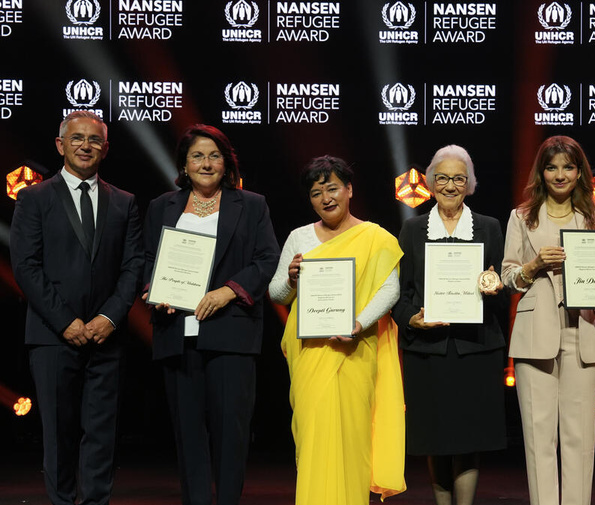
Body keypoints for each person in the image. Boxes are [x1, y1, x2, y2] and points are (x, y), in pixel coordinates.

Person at [10, 111, 143, 505]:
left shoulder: (125, 202)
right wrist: (66, 321)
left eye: (95, 140)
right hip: (52, 337)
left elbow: (133, 265)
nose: (86, 145)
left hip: (107, 337)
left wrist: (108, 317)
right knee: (59, 432)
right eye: (77, 138)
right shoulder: (33, 198)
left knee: (102, 433)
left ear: (105, 148)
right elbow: (25, 266)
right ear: (60, 145)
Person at [142, 124, 279, 505]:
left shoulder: (251, 204)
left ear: (226, 162)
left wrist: (227, 291)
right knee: (188, 434)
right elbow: (148, 260)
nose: (206, 163)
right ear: (184, 165)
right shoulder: (162, 206)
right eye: (197, 156)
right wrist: (156, 291)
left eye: (214, 155)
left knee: (230, 435)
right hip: (176, 333)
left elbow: (267, 259)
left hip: (230, 334)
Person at [268, 156, 406, 505]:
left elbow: (389, 291)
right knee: (313, 437)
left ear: (349, 190)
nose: (326, 198)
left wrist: (357, 325)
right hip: (310, 355)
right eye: (317, 193)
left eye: (332, 188)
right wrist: (290, 278)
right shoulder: (299, 237)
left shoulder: (375, 237)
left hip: (356, 351)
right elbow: (276, 294)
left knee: (353, 438)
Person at [501, 136, 595, 505]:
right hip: (534, 334)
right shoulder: (521, 216)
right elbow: (508, 277)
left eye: (568, 167)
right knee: (539, 436)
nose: (560, 175)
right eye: (552, 167)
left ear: (579, 172)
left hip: (583, 332)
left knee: (579, 437)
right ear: (541, 172)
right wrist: (534, 265)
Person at [392, 145, 507, 505]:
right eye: (442, 177)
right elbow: (402, 291)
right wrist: (411, 318)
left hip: (476, 347)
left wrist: (493, 286)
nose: (450, 185)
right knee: (434, 438)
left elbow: (502, 293)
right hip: (427, 350)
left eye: (459, 178)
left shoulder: (489, 227)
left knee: (470, 439)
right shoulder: (412, 229)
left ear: (469, 183)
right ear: (430, 183)